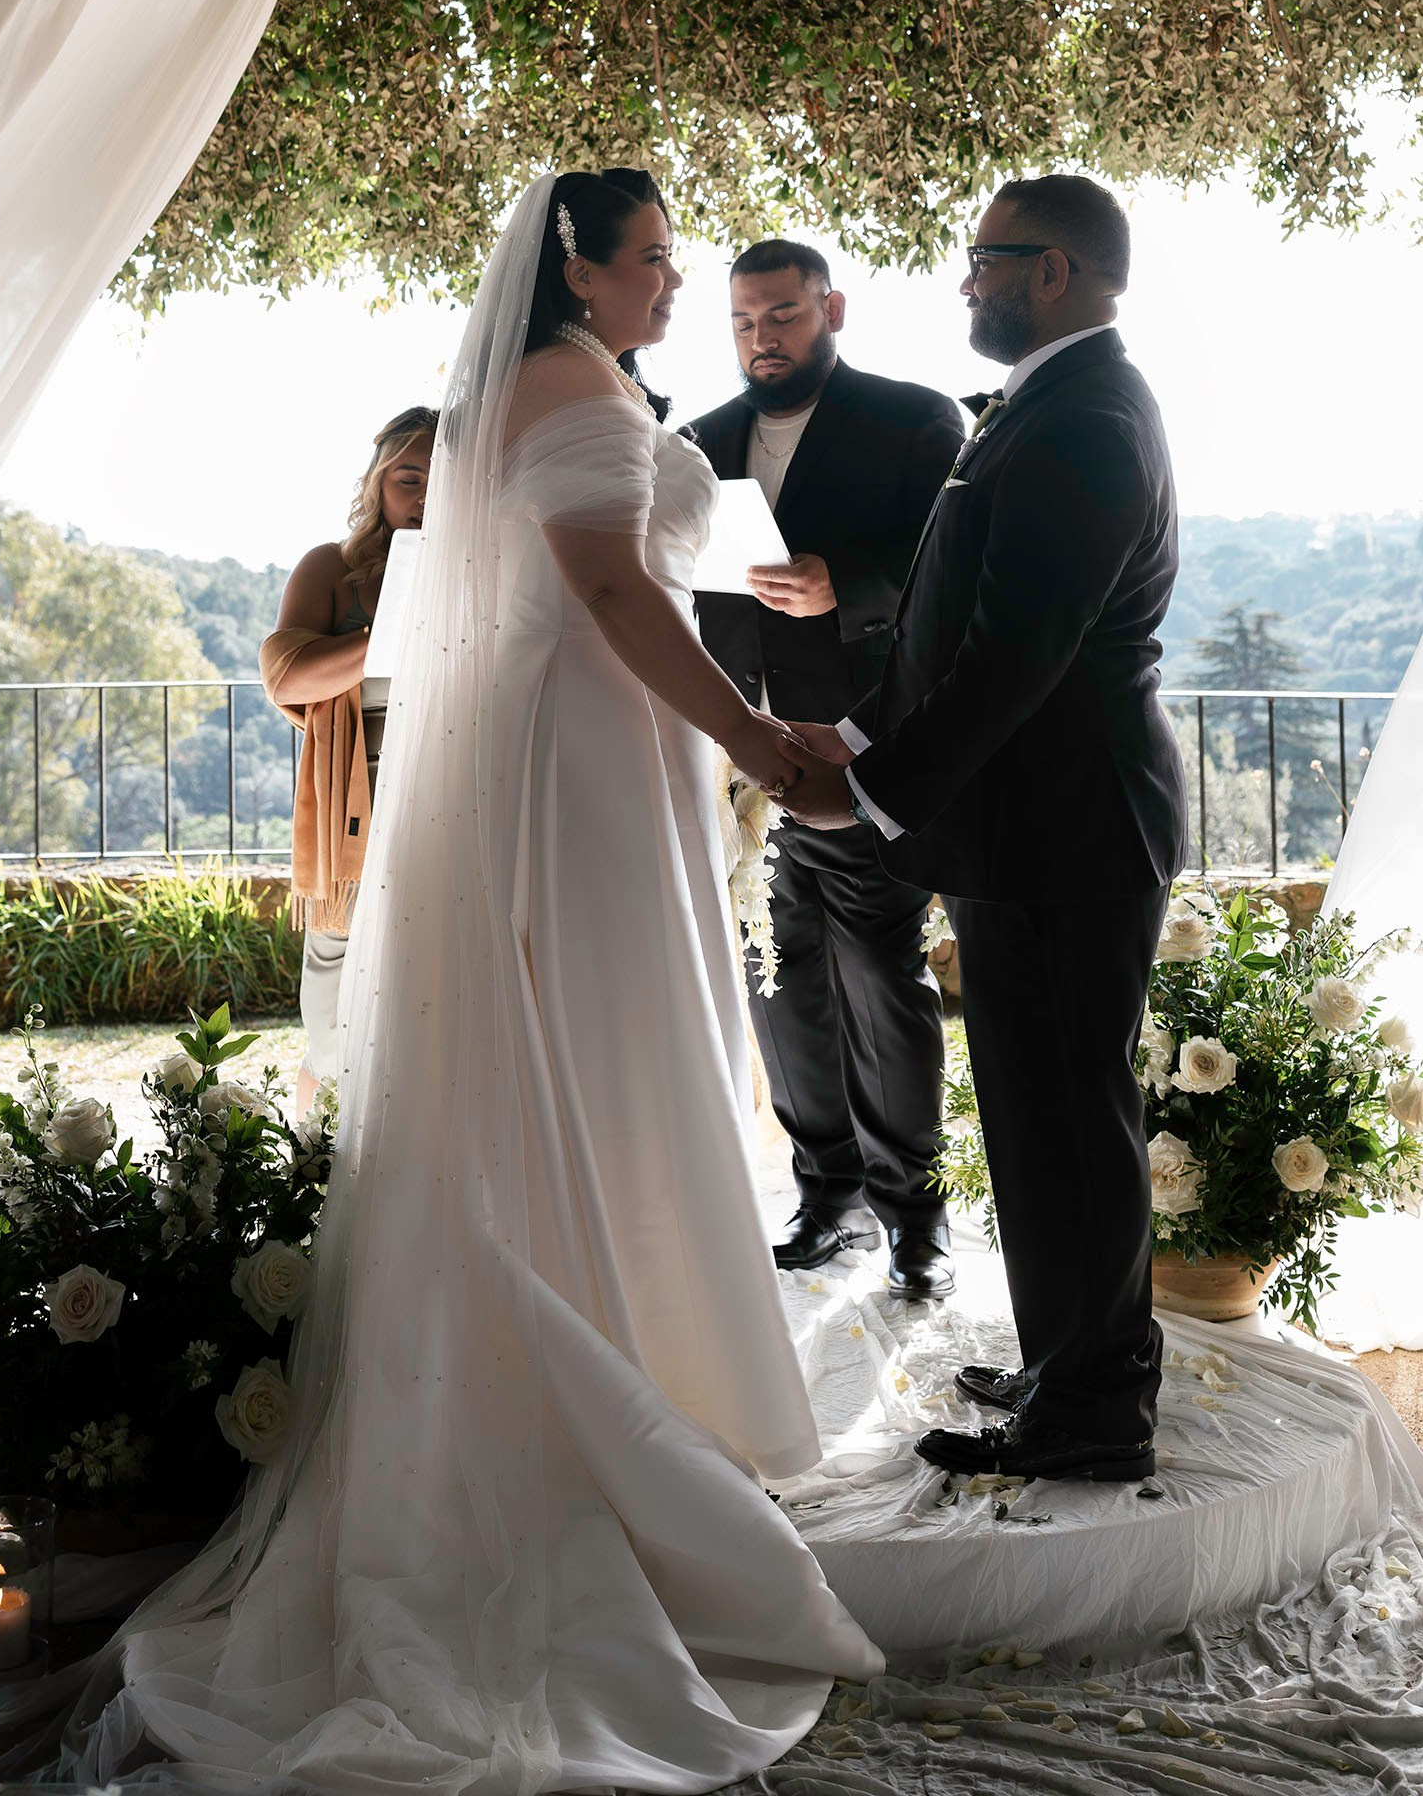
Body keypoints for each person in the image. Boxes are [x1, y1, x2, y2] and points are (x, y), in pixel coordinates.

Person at [91, 171, 877, 1792]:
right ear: (576, 266)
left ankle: (630, 1358)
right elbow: (601, 590)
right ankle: (589, 1407)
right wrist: (751, 736)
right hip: (574, 768)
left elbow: (621, 580)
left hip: (581, 751)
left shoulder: (571, 385)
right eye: (652, 260)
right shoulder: (568, 385)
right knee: (587, 1056)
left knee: (591, 1067)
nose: (674, 283)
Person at [782, 176, 1186, 1485]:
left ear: (1054, 272)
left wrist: (876, 788)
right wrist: (852, 741)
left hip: (1070, 823)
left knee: (1070, 1116)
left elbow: (1017, 654)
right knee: (1033, 1114)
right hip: (1029, 824)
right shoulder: (1054, 404)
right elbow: (945, 630)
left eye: (984, 261)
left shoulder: (1090, 418)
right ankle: (1072, 1356)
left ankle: (1095, 1412)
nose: (965, 282)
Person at [689, 239, 964, 1299]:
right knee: (777, 976)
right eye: (744, 324)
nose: (763, 339)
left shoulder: (914, 419)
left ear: (831, 307)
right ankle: (823, 1194)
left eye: (783, 317)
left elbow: (944, 571)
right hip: (739, 759)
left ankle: (913, 1212)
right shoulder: (698, 441)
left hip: (863, 753)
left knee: (880, 982)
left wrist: (840, 589)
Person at [260, 406, 438, 1114]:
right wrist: (391, 632)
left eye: (444, 477)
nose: (426, 493)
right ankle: (323, 1145)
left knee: (429, 975)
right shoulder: (331, 569)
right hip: (355, 800)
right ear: (377, 484)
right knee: (335, 982)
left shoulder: (491, 568)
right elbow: (287, 677)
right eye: (409, 477)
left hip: (449, 789)